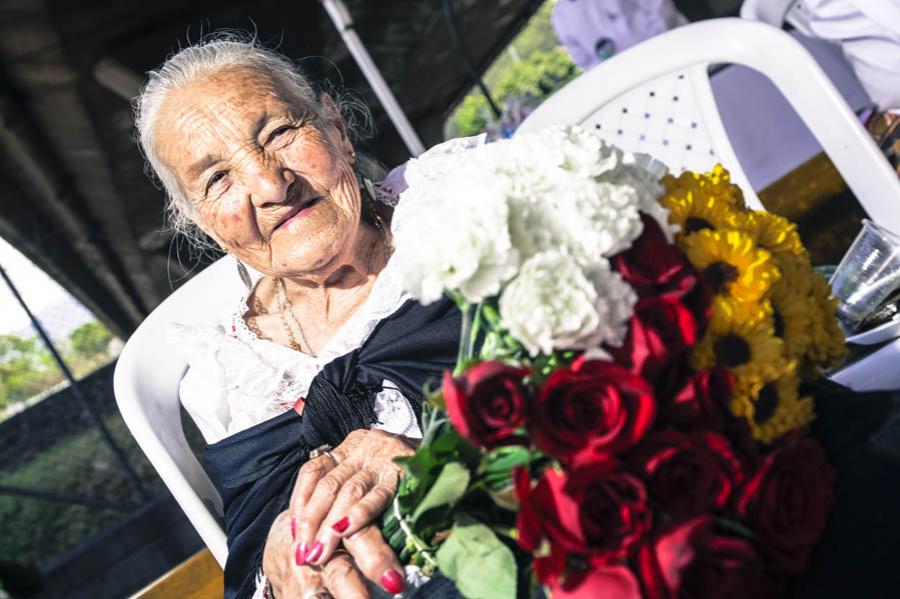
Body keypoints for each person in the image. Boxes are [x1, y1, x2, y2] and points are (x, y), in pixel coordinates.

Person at [134, 34, 468, 598]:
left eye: (280, 134)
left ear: (335, 124)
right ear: (202, 223)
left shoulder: (459, 211)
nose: (270, 185)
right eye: (218, 180)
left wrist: (450, 453)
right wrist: (285, 558)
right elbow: (257, 558)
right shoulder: (229, 376)